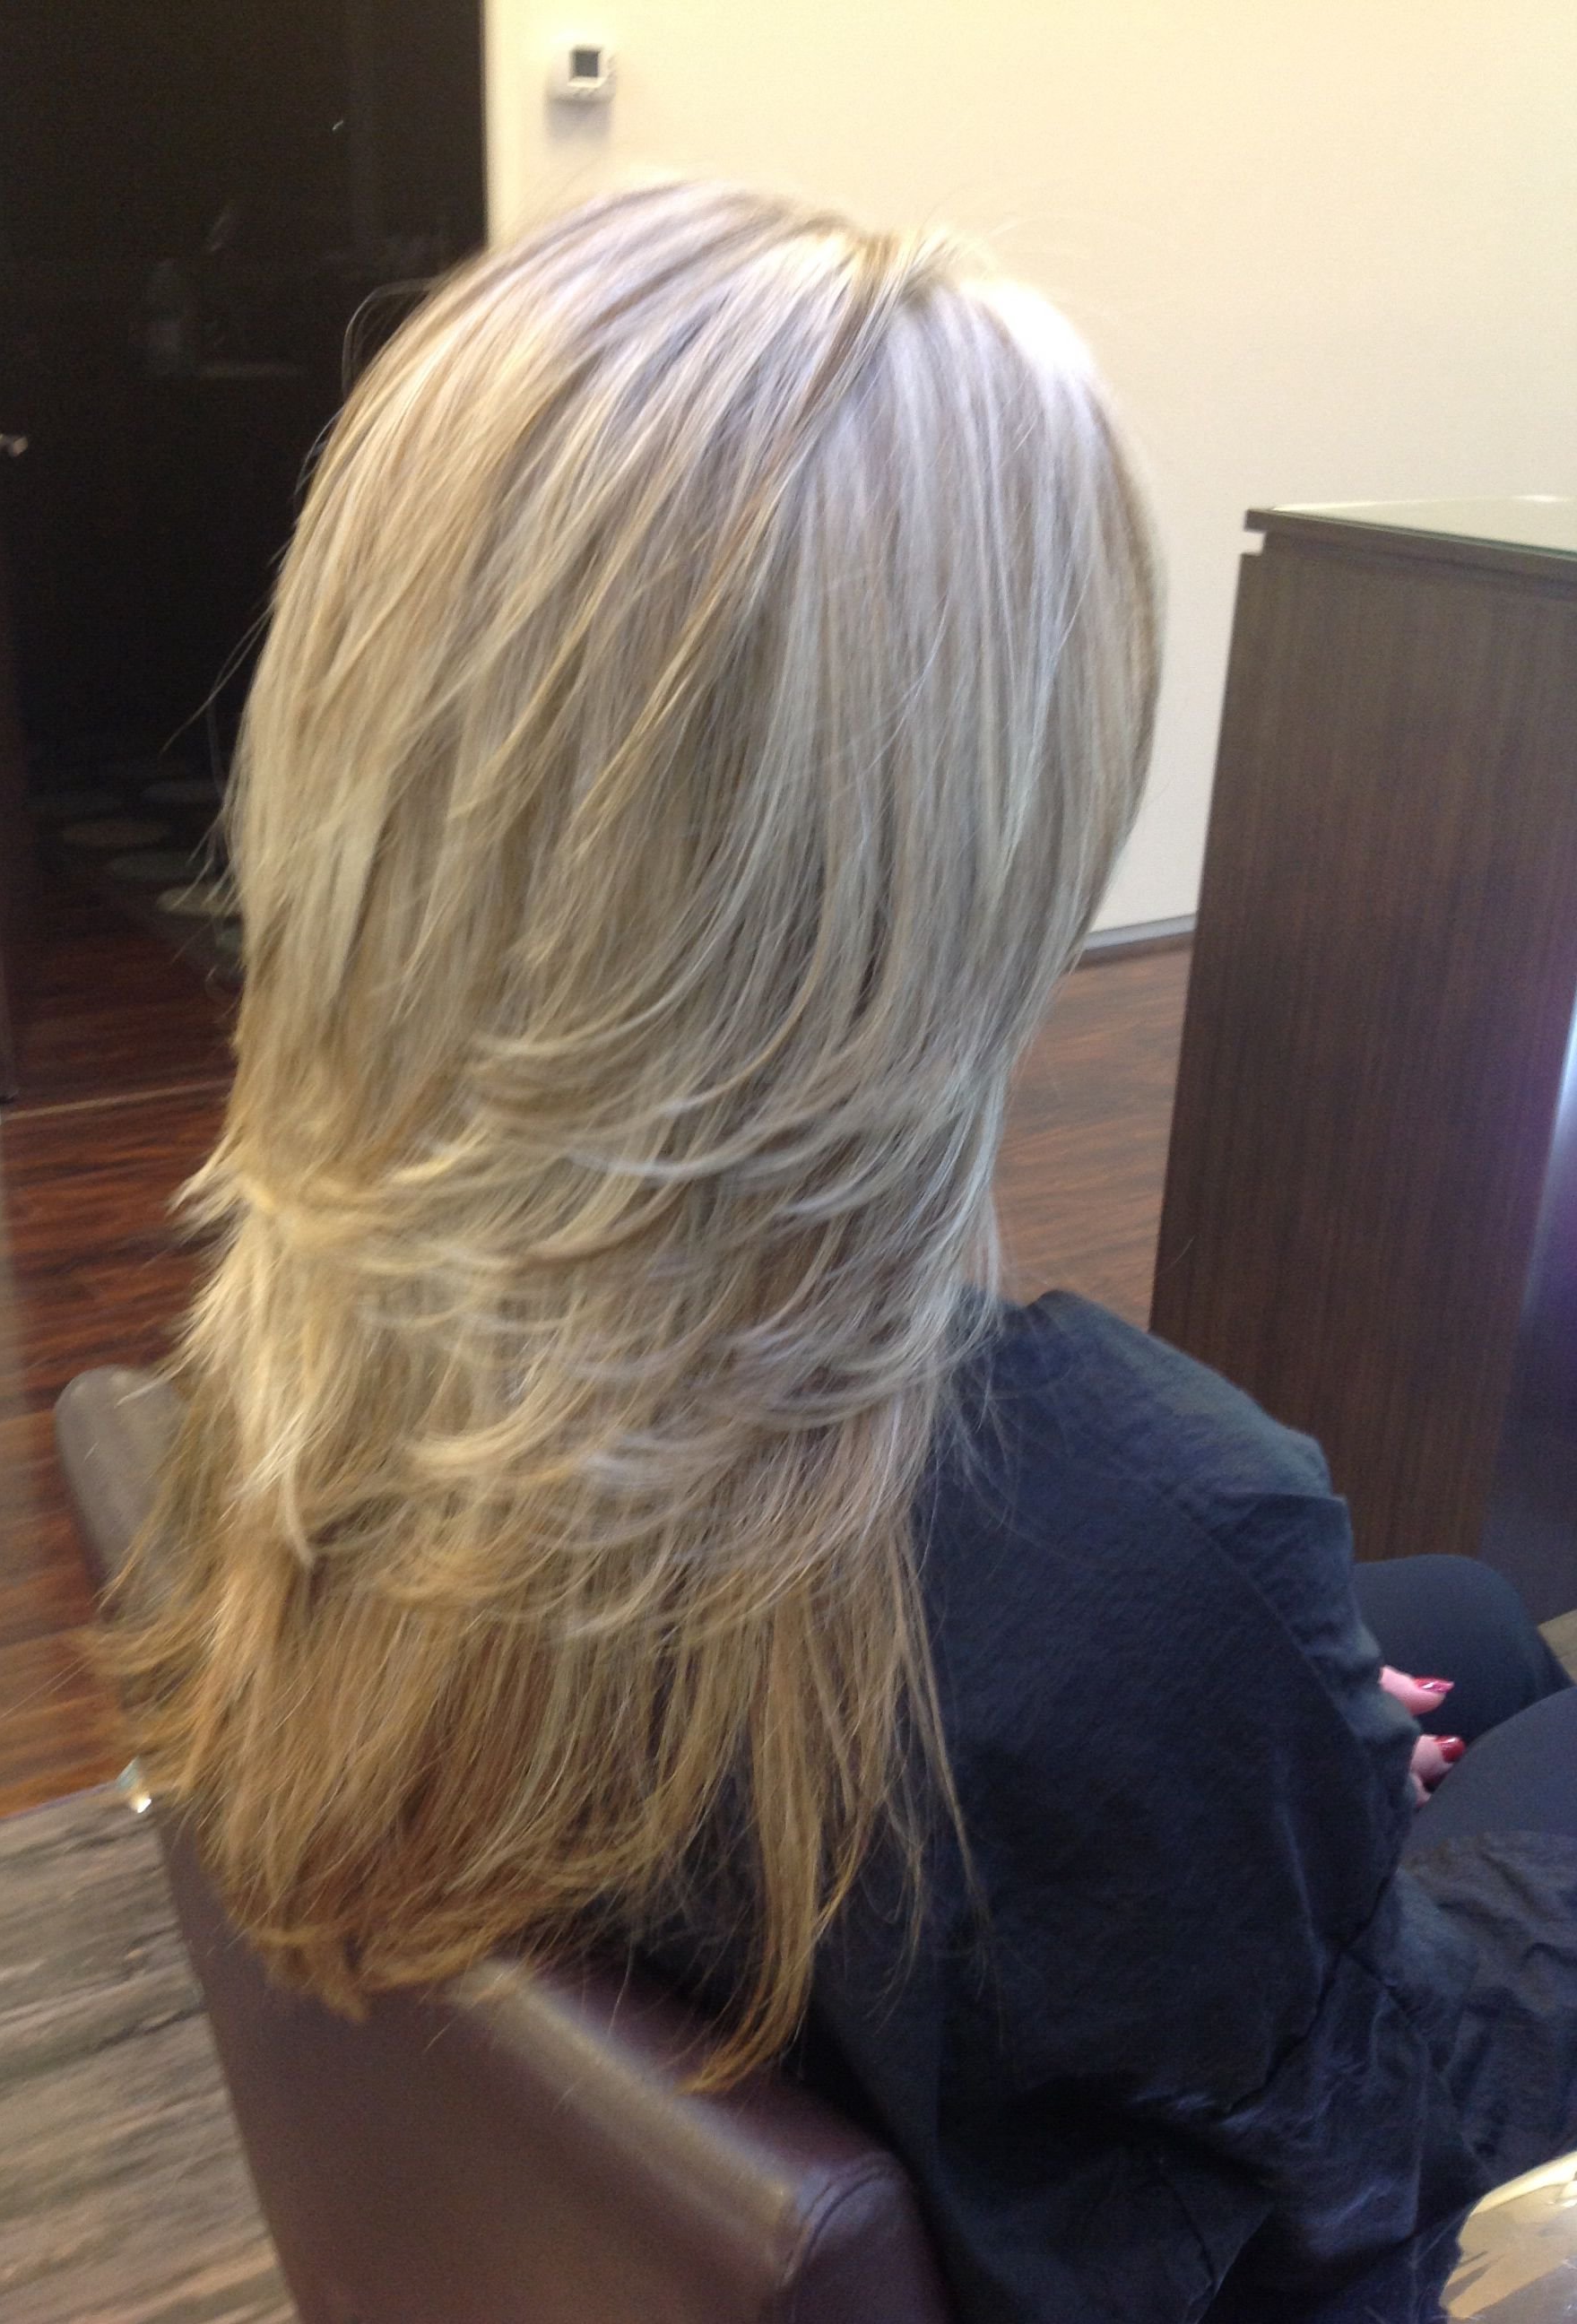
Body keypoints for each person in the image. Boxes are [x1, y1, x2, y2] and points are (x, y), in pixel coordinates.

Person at [105, 182, 1577, 2320]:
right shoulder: (1150, 1541)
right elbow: (1348, 2205)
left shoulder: (298, 1335)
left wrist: (1288, 1775)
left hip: (896, 1924)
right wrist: (1304, 1822)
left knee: (1463, 1623)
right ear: (966, 826)